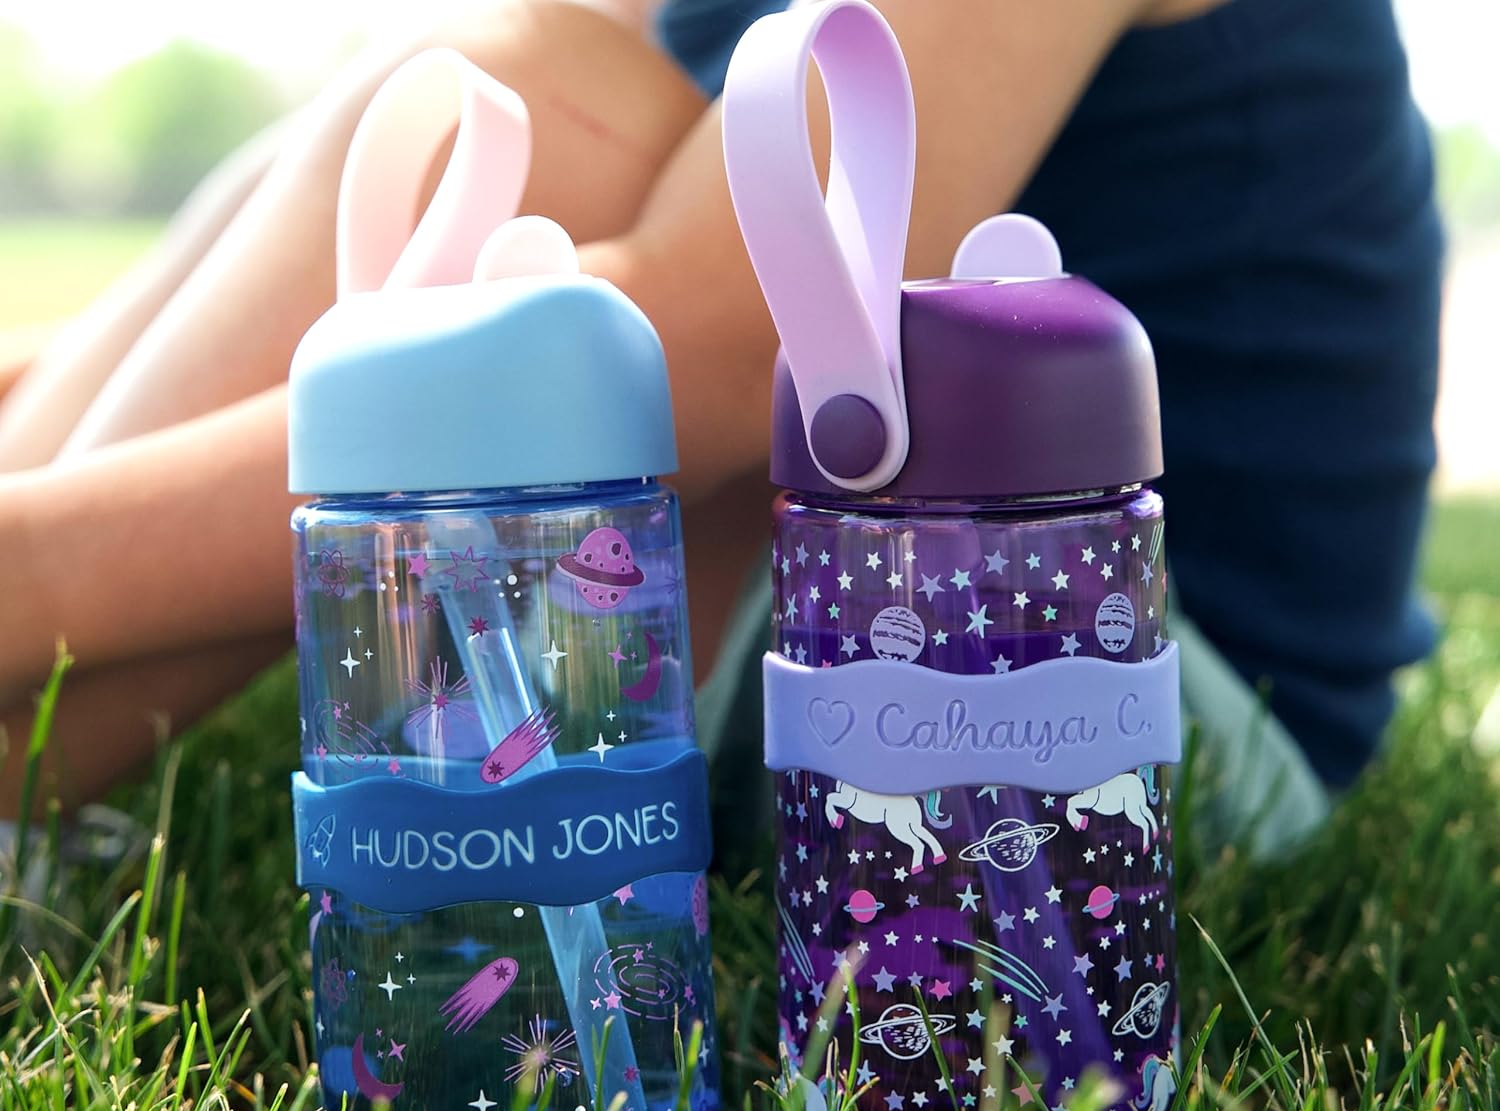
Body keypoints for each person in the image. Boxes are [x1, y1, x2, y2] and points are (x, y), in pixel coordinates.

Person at [0, 0, 1440, 861]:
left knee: (541, 114)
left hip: (1101, 696)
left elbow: (736, 341)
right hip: (866, 597)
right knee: (461, 79)